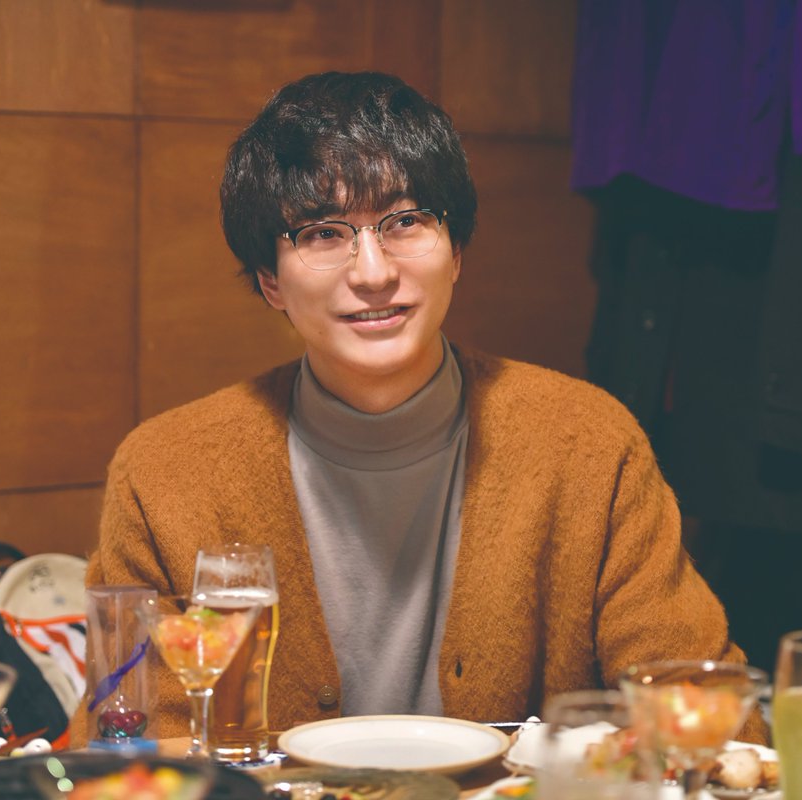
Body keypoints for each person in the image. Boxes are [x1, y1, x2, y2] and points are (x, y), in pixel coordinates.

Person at [79, 71, 765, 742]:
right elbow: (129, 740)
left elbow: (706, 712)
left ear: (456, 250)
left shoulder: (588, 444)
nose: (373, 273)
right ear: (270, 282)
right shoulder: (166, 473)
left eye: (405, 221)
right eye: (323, 234)